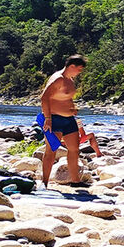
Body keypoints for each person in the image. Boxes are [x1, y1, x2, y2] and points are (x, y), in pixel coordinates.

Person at [38, 54, 88, 188]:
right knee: (51, 150)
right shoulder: (58, 79)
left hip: (69, 120)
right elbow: (44, 98)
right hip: (55, 119)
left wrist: (72, 107)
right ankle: (45, 183)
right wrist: (47, 119)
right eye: (79, 69)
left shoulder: (69, 80)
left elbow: (65, 98)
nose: (79, 72)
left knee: (74, 149)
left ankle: (76, 181)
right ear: (72, 66)